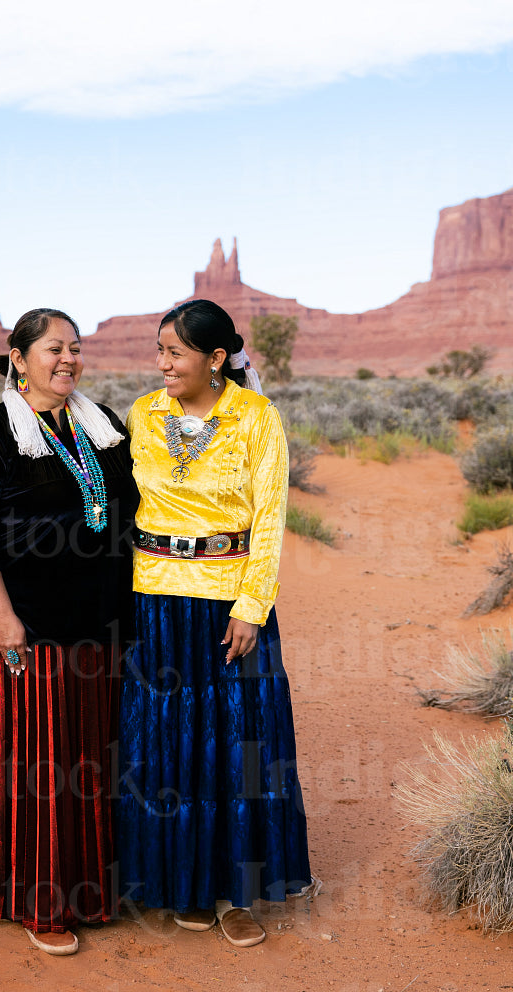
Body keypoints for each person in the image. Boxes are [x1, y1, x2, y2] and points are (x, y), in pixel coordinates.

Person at [116, 298, 312, 948]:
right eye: (161, 351)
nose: (163, 363)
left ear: (216, 358)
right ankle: (181, 885)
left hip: (231, 606)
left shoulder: (256, 416)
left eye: (175, 352)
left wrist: (252, 607)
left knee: (237, 750)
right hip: (158, 602)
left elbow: (270, 516)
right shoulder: (146, 413)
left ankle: (235, 890)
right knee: (171, 748)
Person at [0, 308, 138, 956]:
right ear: (18, 357)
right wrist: (4, 623)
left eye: (75, 348)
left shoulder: (104, 426)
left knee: (93, 763)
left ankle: (95, 890)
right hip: (30, 629)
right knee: (38, 767)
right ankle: (38, 899)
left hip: (102, 624)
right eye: (54, 348)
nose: (68, 359)